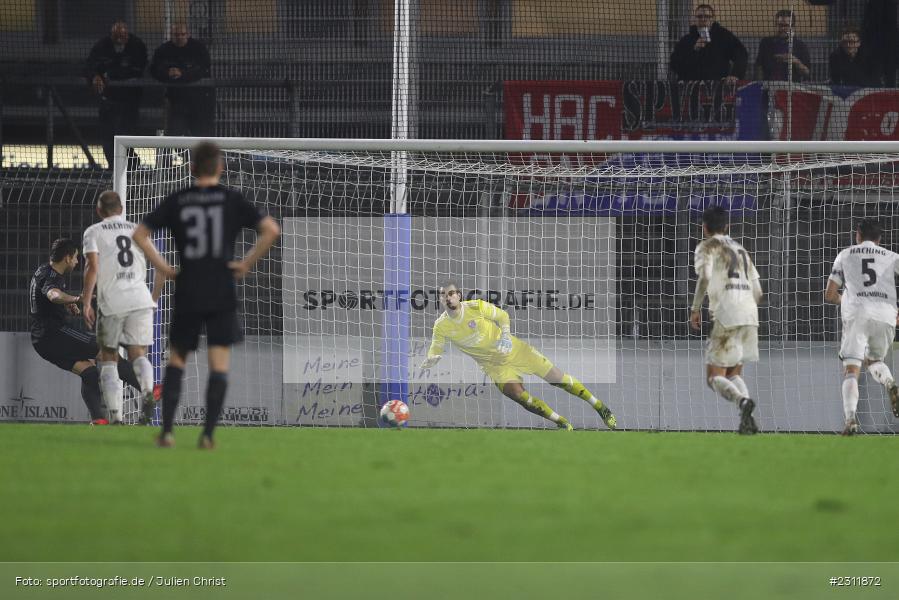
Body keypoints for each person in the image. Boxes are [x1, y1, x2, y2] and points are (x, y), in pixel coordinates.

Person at [133, 141, 280, 449]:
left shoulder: (179, 199)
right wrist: (246, 264)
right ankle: (208, 436)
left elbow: (140, 234)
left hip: (188, 286)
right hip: (220, 288)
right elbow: (270, 230)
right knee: (219, 364)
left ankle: (167, 432)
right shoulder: (231, 199)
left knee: (176, 360)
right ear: (220, 168)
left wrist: (163, 267)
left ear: (191, 169)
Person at [421, 283, 617, 431]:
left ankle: (599, 406)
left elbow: (502, 316)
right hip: (494, 366)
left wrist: (505, 336)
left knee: (558, 379)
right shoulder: (441, 325)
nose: (448, 298)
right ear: (440, 300)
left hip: (514, 349)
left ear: (458, 296)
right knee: (521, 398)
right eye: (443, 295)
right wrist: (432, 358)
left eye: (451, 294)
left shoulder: (475, 307)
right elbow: (436, 348)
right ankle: (561, 422)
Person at [29, 238, 143, 424]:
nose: (75, 262)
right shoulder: (53, 277)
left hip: (41, 341)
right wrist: (76, 298)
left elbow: (47, 300)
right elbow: (52, 294)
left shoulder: (43, 271)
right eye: (74, 258)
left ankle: (98, 420)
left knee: (89, 373)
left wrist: (67, 304)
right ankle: (149, 391)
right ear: (67, 258)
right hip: (54, 334)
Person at [82, 191, 164, 424]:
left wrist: (87, 301)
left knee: (108, 357)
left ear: (99, 211)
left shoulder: (93, 232)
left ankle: (116, 418)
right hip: (140, 300)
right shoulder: (138, 231)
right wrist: (154, 299)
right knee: (138, 353)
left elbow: (92, 268)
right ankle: (148, 392)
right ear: (121, 208)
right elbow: (161, 268)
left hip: (111, 301)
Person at [689, 206, 762, 435]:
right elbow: (758, 290)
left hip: (728, 313)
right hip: (750, 313)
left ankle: (742, 402)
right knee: (734, 373)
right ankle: (747, 419)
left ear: (704, 227)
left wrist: (695, 308)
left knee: (714, 377)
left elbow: (705, 276)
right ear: (726, 226)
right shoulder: (740, 249)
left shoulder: (707, 246)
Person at [824, 219, 899, 435]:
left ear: (858, 235)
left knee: (851, 369)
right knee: (875, 361)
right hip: (885, 314)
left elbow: (829, 294)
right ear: (879, 238)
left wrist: (843, 299)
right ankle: (890, 383)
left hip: (857, 313)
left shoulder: (845, 255)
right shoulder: (891, 256)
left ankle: (850, 421)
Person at [84, 21, 147, 169]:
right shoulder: (101, 46)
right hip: (108, 99)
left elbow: (138, 69)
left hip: (130, 100)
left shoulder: (137, 45)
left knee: (125, 135)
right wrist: (95, 76)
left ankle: (132, 165)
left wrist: (109, 75)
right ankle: (114, 168)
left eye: (123, 36)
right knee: (107, 137)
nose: (119, 39)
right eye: (116, 36)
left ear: (127, 35)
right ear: (111, 35)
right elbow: (89, 66)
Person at [150, 24, 214, 137]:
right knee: (174, 134)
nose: (179, 37)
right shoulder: (163, 50)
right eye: (176, 35)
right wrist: (167, 73)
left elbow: (204, 68)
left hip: (199, 100)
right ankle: (183, 155)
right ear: (171, 36)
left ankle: (197, 154)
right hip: (176, 102)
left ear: (188, 35)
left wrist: (183, 74)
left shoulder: (198, 48)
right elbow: (154, 69)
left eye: (182, 34)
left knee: (200, 134)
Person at [669, 4, 747, 82]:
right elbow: (674, 63)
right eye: (699, 16)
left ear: (713, 19)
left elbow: (741, 53)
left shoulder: (724, 36)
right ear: (695, 19)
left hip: (717, 87)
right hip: (691, 87)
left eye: (707, 16)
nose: (703, 19)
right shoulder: (686, 40)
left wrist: (735, 75)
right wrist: (694, 50)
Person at [754, 9, 812, 82]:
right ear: (776, 25)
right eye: (780, 25)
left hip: (791, 88)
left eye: (786, 26)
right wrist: (759, 86)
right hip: (769, 87)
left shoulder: (800, 46)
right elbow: (759, 66)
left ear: (793, 27)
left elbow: (807, 73)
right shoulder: (766, 43)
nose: (783, 28)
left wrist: (796, 61)